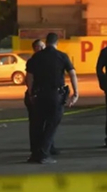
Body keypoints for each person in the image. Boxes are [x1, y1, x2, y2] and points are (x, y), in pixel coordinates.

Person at [26, 32, 79, 164]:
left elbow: (29, 77)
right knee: (52, 124)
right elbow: (72, 74)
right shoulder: (62, 56)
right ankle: (43, 154)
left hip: (39, 94)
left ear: (46, 41)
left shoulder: (35, 57)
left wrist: (31, 93)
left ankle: (35, 154)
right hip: (55, 95)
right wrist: (76, 93)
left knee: (37, 124)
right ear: (57, 42)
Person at [24, 39, 59, 162]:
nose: (42, 48)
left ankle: (48, 147)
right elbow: (29, 79)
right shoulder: (34, 60)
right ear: (34, 48)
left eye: (43, 46)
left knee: (49, 122)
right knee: (37, 124)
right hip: (37, 94)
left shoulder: (46, 59)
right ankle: (37, 150)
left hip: (46, 93)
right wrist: (31, 93)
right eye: (39, 46)